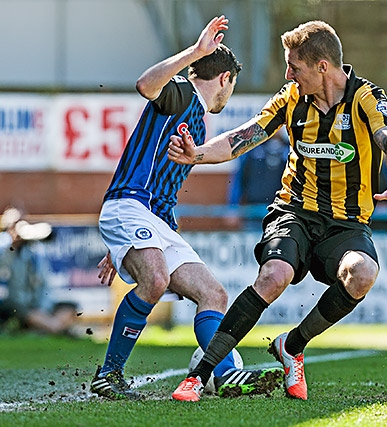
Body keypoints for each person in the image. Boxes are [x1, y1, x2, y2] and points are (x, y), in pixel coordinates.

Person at [168, 20, 387, 402]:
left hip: (346, 221)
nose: (288, 74)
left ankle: (292, 346)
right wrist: (196, 155)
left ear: (322, 67)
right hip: (294, 211)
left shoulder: (366, 97)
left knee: (363, 273)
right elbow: (243, 136)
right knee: (274, 275)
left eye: (294, 67)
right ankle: (198, 377)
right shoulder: (291, 97)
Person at [91, 16, 283, 401]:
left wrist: (123, 250)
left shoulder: (194, 116)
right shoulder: (181, 92)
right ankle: (108, 374)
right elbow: (145, 85)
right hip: (129, 207)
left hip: (154, 220)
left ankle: (226, 376)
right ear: (225, 78)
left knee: (213, 294)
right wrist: (195, 53)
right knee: (157, 280)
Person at [0, 207, 78, 335]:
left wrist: (43, 308)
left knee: (69, 306)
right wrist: (11, 243)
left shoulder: (34, 250)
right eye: (16, 224)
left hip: (36, 305)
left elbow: (44, 283)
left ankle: (49, 327)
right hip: (13, 304)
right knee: (19, 308)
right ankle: (55, 328)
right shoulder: (3, 245)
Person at [224, 127, 289, 230]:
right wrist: (233, 207)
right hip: (253, 212)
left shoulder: (291, 150)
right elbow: (238, 179)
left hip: (282, 213)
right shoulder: (252, 149)